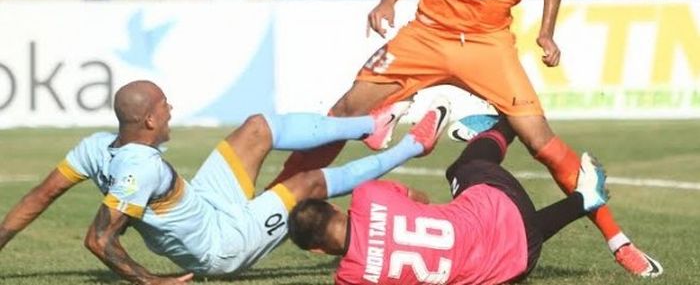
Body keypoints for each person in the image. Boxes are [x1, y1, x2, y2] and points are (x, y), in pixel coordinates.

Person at [270, 0, 662, 277]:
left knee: (543, 143)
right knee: (340, 116)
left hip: (487, 44)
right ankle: (273, 209)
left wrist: (547, 31)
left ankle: (618, 240)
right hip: (427, 35)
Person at [0, 80, 451, 284]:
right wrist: (151, 281)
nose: (171, 107)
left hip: (206, 203)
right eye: (164, 104)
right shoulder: (139, 171)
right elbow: (99, 240)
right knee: (307, 183)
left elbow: (41, 195)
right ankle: (412, 147)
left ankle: (368, 127)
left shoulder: (96, 146)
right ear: (150, 119)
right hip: (221, 244)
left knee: (257, 127)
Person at [289, 125, 611, 285]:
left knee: (499, 242)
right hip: (505, 204)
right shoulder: (368, 195)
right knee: (461, 171)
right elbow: (421, 199)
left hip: (514, 265)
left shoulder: (350, 278)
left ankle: (584, 199)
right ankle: (507, 123)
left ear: (318, 250)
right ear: (334, 208)